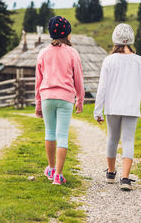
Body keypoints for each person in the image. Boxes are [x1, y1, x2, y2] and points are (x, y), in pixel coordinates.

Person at [93, 23, 141, 191]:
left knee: (112, 138)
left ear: (114, 39)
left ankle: (111, 173)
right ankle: (125, 178)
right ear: (131, 40)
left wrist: (98, 111)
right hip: (131, 107)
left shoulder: (109, 61)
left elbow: (102, 88)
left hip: (112, 107)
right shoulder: (139, 61)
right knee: (128, 140)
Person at [35, 16, 85, 185]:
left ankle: (50, 168)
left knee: (49, 132)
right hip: (66, 98)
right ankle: (58, 174)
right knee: (62, 134)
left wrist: (38, 104)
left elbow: (38, 81)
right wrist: (80, 100)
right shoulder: (72, 53)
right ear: (67, 34)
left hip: (47, 96)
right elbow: (78, 79)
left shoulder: (43, 53)